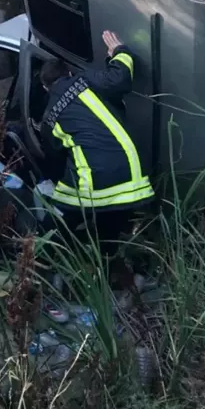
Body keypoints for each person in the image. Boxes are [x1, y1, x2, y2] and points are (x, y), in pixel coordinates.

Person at [39, 30, 155, 258]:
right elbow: (120, 78)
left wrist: (53, 182)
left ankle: (40, 255)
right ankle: (107, 257)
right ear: (69, 73)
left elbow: (55, 159)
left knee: (60, 210)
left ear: (45, 89)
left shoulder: (49, 118)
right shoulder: (88, 79)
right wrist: (118, 52)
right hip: (131, 175)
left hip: (93, 182)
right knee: (109, 226)